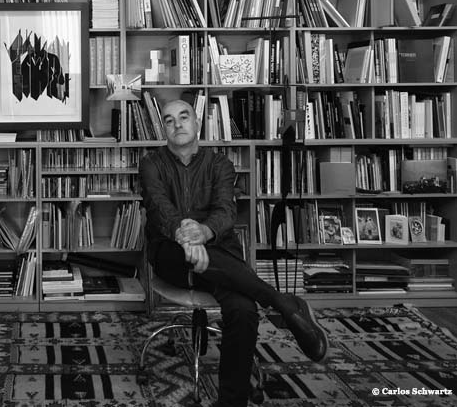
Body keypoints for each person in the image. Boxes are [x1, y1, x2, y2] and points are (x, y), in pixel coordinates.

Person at [140, 100, 328, 407]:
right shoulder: (151, 164)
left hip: (219, 253)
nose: (177, 124)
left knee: (243, 309)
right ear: (164, 129)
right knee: (208, 267)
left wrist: (203, 233)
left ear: (197, 122)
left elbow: (226, 211)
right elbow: (159, 208)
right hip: (171, 254)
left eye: (183, 117)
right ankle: (282, 302)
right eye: (169, 120)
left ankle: (232, 401)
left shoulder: (220, 165)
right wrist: (187, 239)